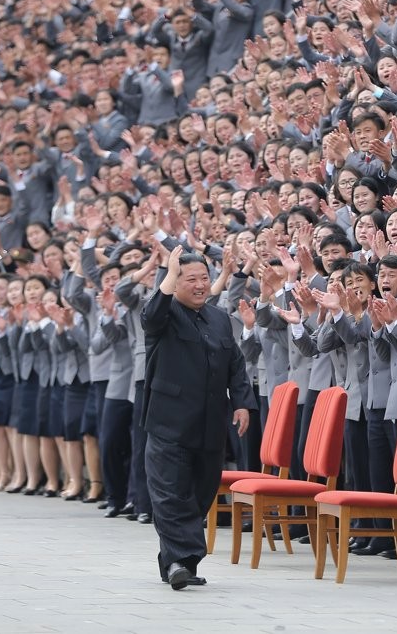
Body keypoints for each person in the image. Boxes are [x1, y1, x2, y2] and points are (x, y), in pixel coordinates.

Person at [140, 246, 253, 589]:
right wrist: (169, 273)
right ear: (176, 283)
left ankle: (180, 562)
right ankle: (178, 561)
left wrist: (242, 402)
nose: (201, 285)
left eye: (205, 278)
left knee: (200, 494)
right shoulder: (165, 313)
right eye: (191, 279)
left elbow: (235, 362)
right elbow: (150, 317)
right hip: (168, 423)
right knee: (170, 493)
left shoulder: (218, 318)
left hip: (209, 425)